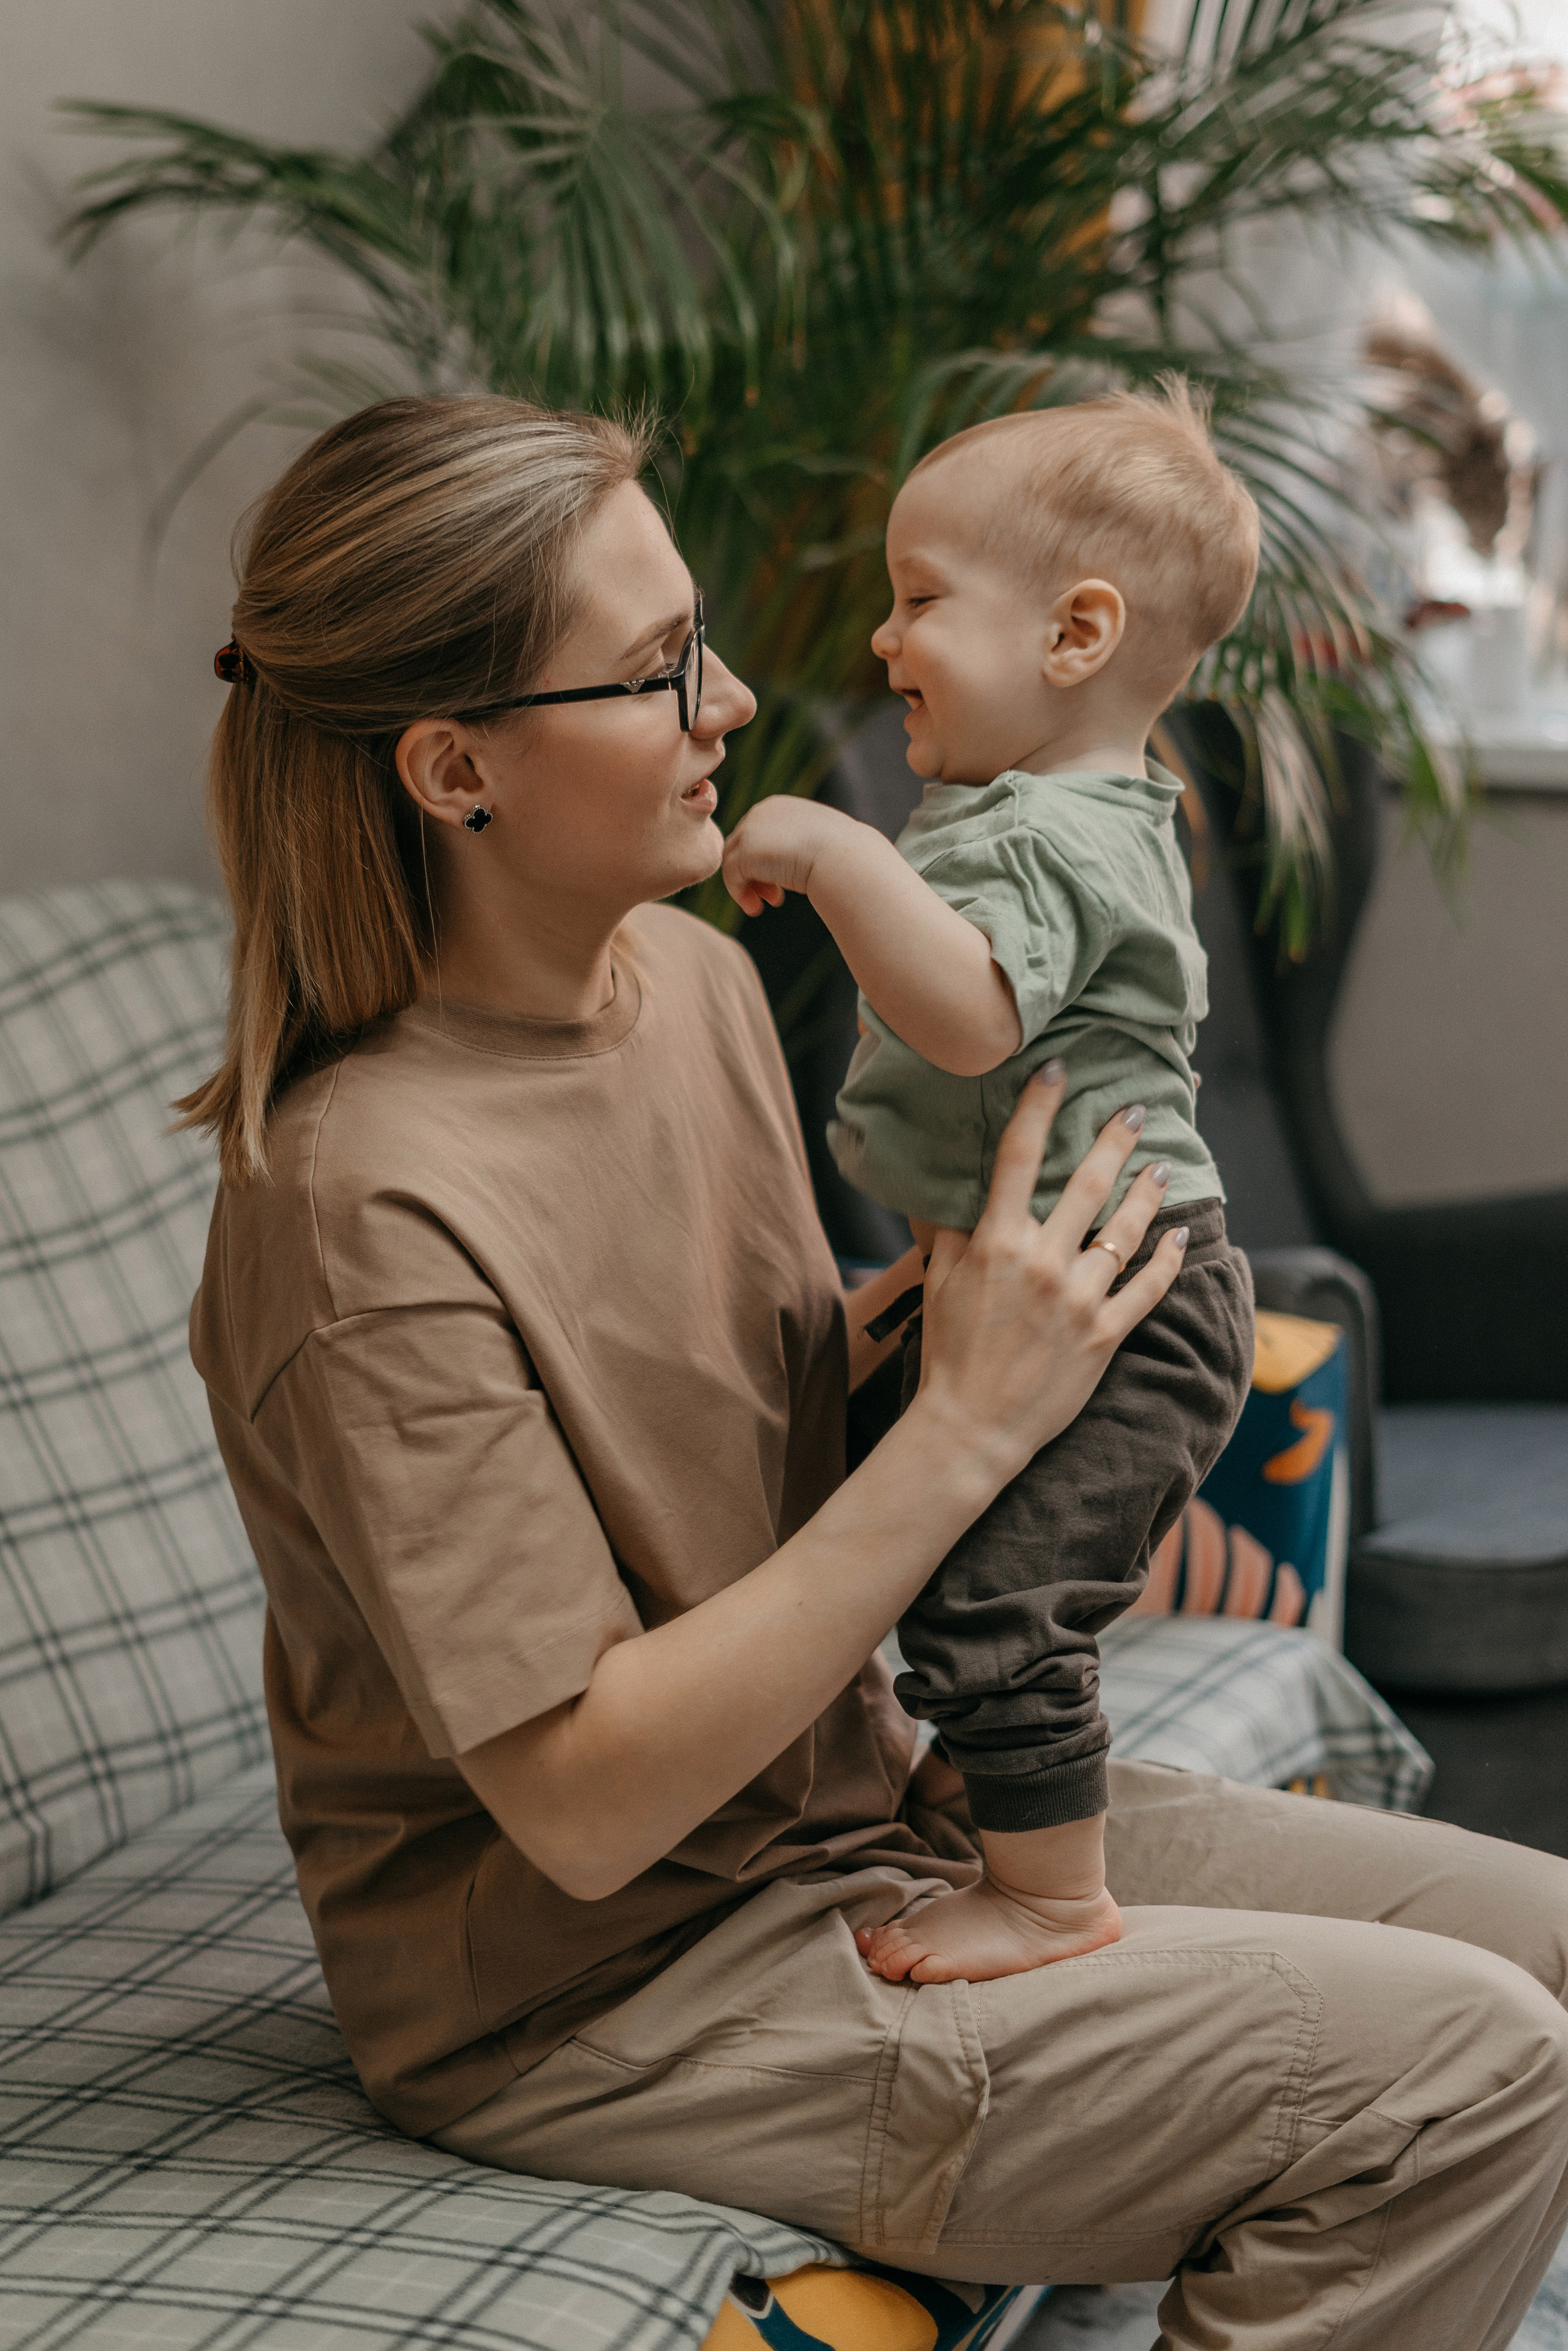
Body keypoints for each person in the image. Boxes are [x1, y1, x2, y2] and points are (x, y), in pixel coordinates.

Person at [186, 393, 1568, 2350]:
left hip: (856, 1815)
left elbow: (737, 1412)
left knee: (1551, 1951)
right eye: (662, 664)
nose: (737, 696)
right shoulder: (359, 1208)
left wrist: (983, 1330)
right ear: (452, 766)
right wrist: (974, 1423)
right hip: (606, 1993)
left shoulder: (688, 984)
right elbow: (580, 1804)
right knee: (1466, 2073)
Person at [719, 383, 1256, 1988]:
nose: (885, 643)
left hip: (1119, 1283)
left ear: (1078, 636)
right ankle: (977, 1780)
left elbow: (965, 1015)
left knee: (1000, 1604)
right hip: (1076, 1271)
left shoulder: (1052, 837)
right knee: (852, 1511)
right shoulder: (1072, 808)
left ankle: (1046, 1900)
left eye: (922, 601)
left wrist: (836, 852)